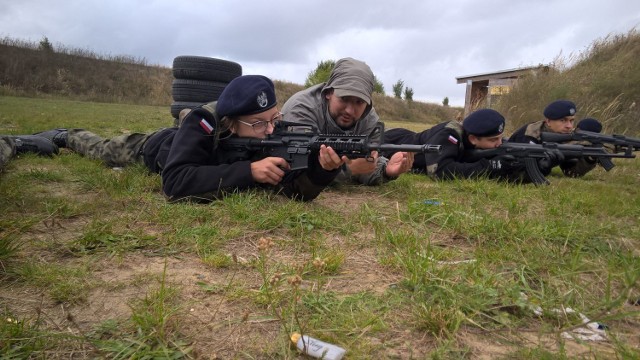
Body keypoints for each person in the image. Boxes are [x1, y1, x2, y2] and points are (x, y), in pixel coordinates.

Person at [23, 75, 343, 202]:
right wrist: (249, 172)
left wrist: (321, 172)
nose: (271, 130)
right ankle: (64, 135)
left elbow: (296, 194)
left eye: (275, 118)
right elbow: (175, 183)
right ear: (231, 124)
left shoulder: (272, 134)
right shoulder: (204, 121)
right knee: (103, 150)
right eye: (259, 124)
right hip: (153, 149)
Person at [281, 57, 414, 186]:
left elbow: (365, 165)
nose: (350, 111)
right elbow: (297, 172)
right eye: (344, 99)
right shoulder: (301, 110)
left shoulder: (369, 120)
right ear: (328, 93)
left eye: (359, 102)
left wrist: (386, 171)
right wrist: (347, 170)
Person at [383, 108, 524, 181]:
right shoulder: (448, 136)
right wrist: (490, 166)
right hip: (389, 140)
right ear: (473, 139)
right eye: (493, 140)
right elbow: (440, 171)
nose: (499, 144)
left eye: (500, 138)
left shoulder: (472, 138)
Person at [509, 100, 602, 178]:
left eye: (571, 120)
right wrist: (546, 164)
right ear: (548, 121)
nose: (569, 126)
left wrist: (590, 158)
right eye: (563, 120)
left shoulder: (566, 137)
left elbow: (572, 172)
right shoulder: (531, 133)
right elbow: (521, 168)